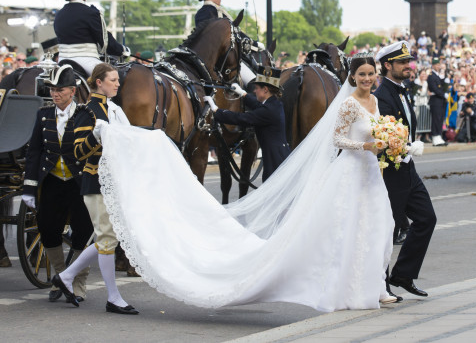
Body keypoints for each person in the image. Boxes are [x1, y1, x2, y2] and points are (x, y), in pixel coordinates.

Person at [81, 54, 398, 312]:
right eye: (363, 74)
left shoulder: (280, 106)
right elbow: (260, 114)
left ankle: (376, 285)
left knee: (377, 226)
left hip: (346, 167)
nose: (368, 78)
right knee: (352, 227)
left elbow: (250, 116)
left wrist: (389, 140)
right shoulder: (329, 104)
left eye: (371, 74)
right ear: (353, 77)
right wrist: (371, 144)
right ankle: (365, 285)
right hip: (338, 165)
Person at [51, 63, 137, 315]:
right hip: (95, 181)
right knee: (107, 239)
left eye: (117, 80)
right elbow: (78, 152)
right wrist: (96, 136)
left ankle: (66, 276)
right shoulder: (87, 111)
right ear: (98, 82)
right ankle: (113, 297)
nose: (117, 84)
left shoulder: (113, 109)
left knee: (106, 238)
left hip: (111, 181)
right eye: (112, 80)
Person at [22, 65, 94, 303]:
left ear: (72, 91)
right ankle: (62, 277)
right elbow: (34, 153)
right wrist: (29, 188)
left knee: (83, 233)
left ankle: (79, 283)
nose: (55, 93)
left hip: (78, 182)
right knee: (46, 228)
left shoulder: (86, 114)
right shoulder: (42, 115)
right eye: (52, 89)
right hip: (53, 180)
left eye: (60, 89)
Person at [374, 40, 437, 300]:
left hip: (407, 168)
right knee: (388, 228)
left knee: (426, 218)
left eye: (407, 62)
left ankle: (403, 274)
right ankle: (381, 284)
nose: (407, 66)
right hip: (392, 170)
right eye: (402, 62)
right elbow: (384, 139)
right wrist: (408, 148)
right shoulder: (382, 96)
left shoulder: (402, 90)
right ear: (388, 65)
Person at [204, 66, 290, 182]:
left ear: (265, 90)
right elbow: (257, 105)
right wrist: (243, 94)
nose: (254, 91)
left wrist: (216, 110)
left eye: (257, 88)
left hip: (274, 159)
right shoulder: (274, 104)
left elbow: (241, 118)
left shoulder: (268, 110)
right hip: (278, 155)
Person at [54, 0, 130, 76]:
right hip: (86, 61)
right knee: (114, 79)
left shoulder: (59, 14)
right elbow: (105, 41)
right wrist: (122, 50)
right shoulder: (91, 13)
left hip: (62, 62)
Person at [427, 58, 447, 146]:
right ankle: (435, 137)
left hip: (440, 100)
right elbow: (434, 88)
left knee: (440, 119)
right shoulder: (431, 76)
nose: (438, 66)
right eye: (437, 65)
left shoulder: (437, 75)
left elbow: (440, 87)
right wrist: (443, 94)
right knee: (436, 119)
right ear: (433, 65)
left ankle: (439, 136)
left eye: (439, 64)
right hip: (435, 100)